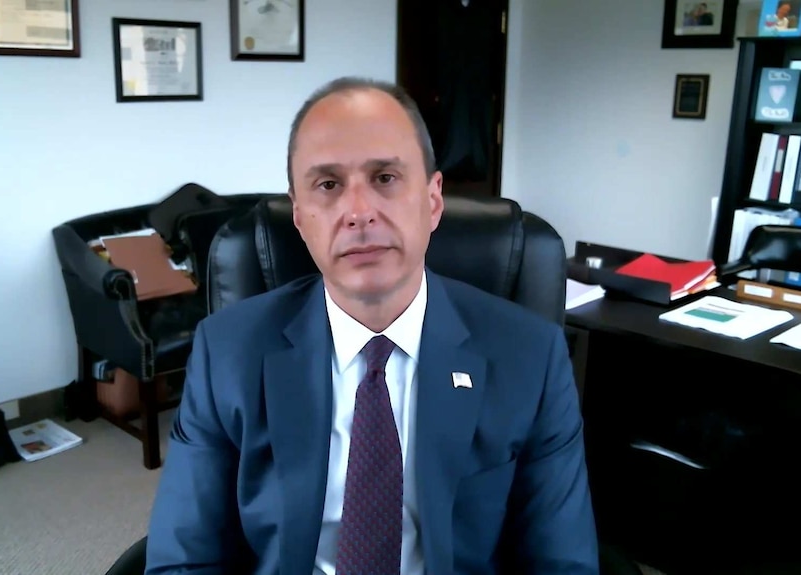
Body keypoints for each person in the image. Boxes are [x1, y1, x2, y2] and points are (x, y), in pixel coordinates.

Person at [144, 76, 599, 574]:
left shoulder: (531, 354)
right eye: (328, 185)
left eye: (385, 177)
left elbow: (562, 562)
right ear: (299, 216)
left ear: (432, 200)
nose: (358, 212)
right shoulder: (226, 352)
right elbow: (183, 560)